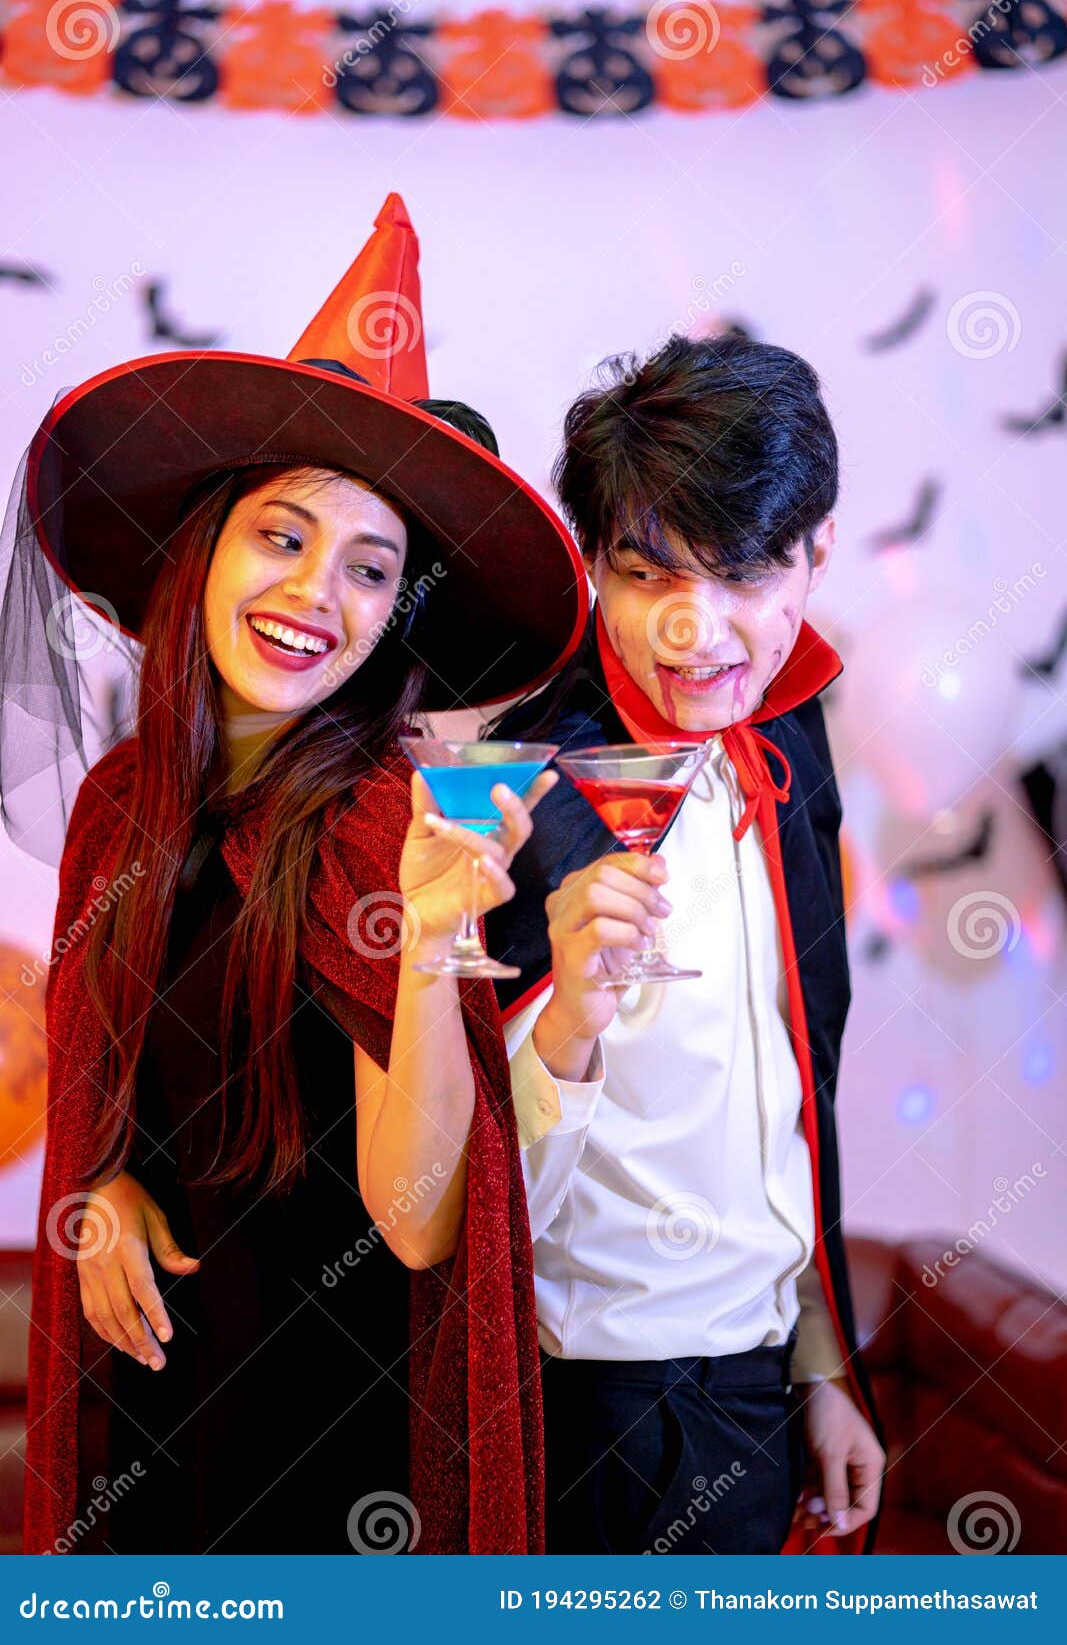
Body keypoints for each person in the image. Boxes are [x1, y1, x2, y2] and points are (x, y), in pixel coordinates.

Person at [3, 194, 587, 1554]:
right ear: (207, 545)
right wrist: (104, 1189)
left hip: (327, 1453)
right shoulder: (118, 811)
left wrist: (438, 937)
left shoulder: (384, 823)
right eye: (285, 535)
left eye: (370, 567)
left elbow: (416, 1220)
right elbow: (118, 1091)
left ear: (395, 617)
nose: (319, 592)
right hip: (148, 1415)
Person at [486, 333, 886, 1555]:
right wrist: (565, 1026)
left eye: (742, 572)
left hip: (756, 1391)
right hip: (594, 1413)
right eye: (646, 573)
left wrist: (819, 1367)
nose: (691, 630)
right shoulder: (524, 786)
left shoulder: (788, 743)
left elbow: (790, 1089)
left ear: (816, 551)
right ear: (593, 566)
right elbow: (457, 1187)